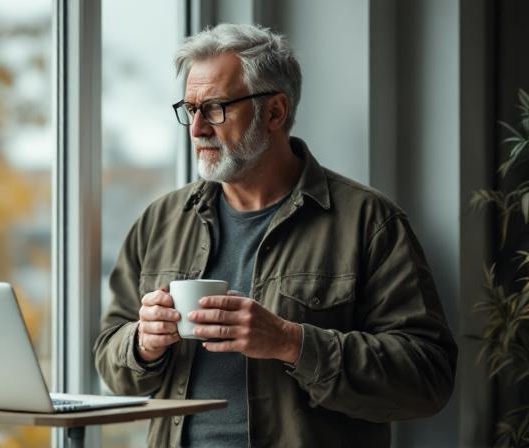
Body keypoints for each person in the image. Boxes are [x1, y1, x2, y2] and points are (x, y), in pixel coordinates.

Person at [94, 23, 457, 447]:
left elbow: (427, 378)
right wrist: (142, 343)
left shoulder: (369, 222)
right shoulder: (161, 222)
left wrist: (291, 342)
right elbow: (110, 361)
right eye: (190, 110)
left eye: (215, 108)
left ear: (274, 112)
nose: (196, 129)